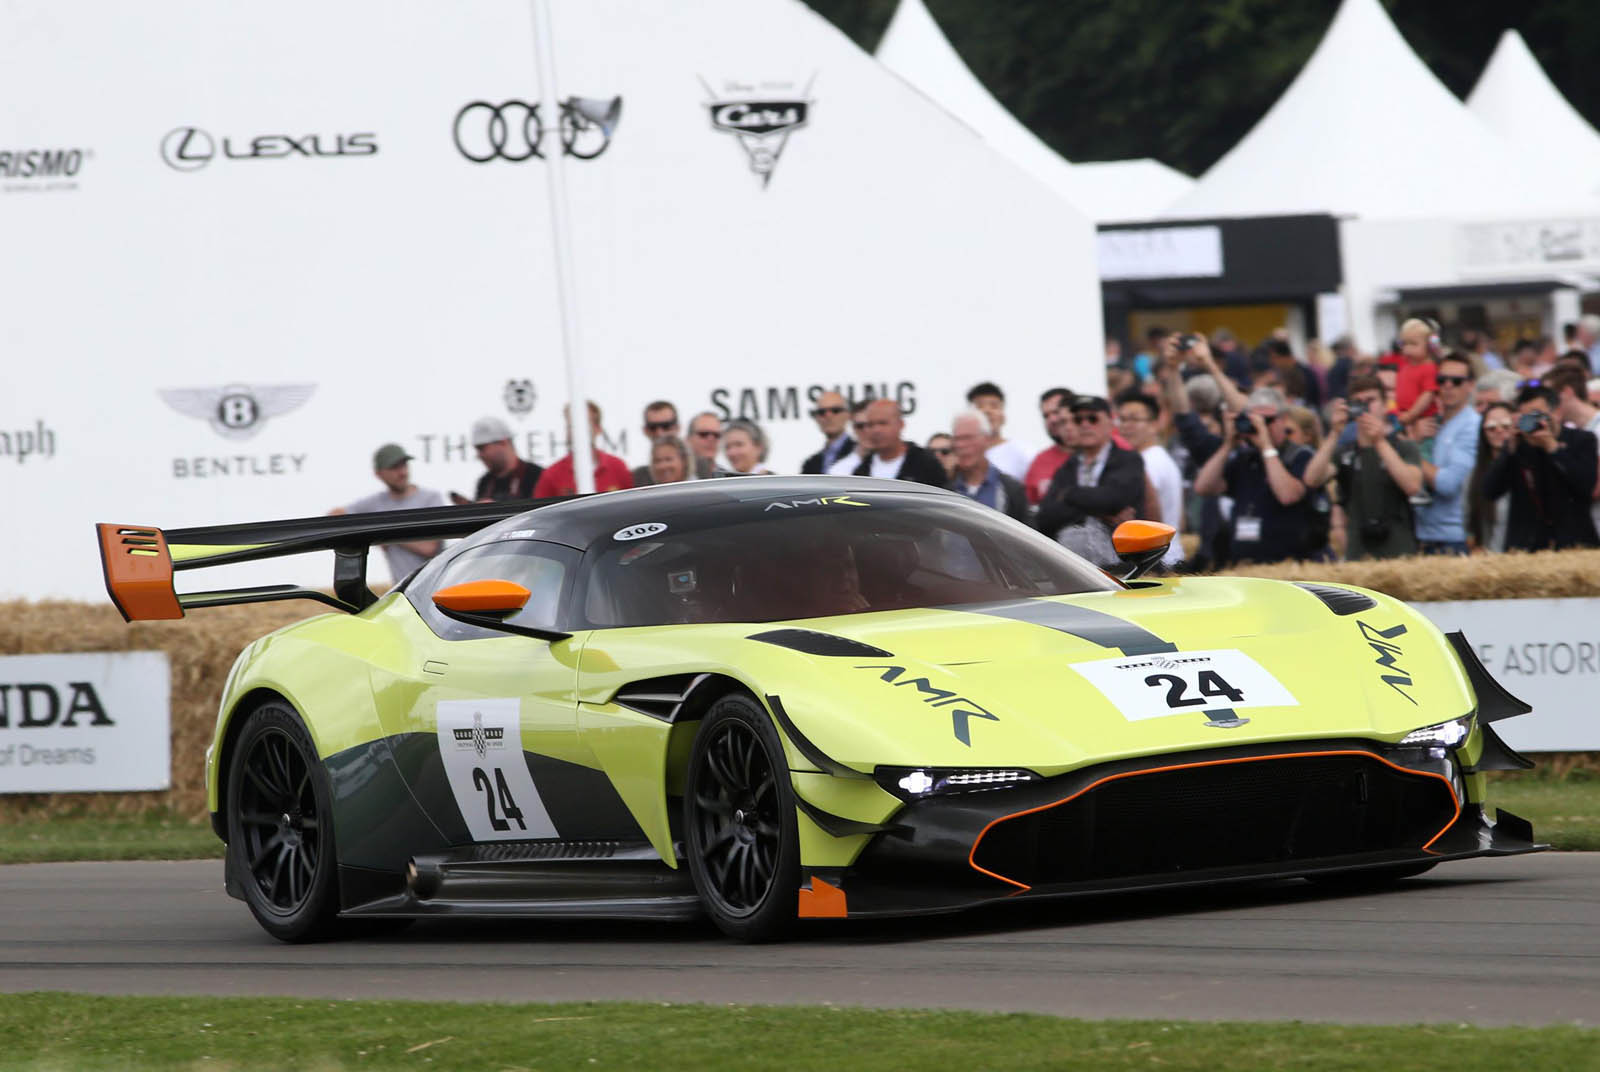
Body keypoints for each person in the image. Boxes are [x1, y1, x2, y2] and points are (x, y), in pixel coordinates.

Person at [1304, 375, 1423, 560]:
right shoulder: (1345, 453)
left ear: (1385, 405)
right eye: (1358, 402)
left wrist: (1379, 441)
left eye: (1371, 401)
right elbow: (1311, 479)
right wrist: (1334, 433)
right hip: (1358, 552)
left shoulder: (1404, 447)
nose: (1365, 407)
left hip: (1399, 553)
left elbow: (1412, 486)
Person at [1194, 387, 1312, 565]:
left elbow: (1288, 495)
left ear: (1284, 420)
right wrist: (1228, 445)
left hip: (1285, 565)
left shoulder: (1301, 456)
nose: (1260, 427)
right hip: (1243, 565)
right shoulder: (1246, 457)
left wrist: (1266, 446)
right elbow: (1203, 487)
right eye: (1255, 421)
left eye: (1267, 421)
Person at [1483, 384, 1600, 550]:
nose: (1533, 422)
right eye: (1526, 417)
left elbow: (1585, 487)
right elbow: (1489, 491)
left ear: (1557, 412)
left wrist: (1552, 448)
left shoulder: (1582, 440)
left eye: (1537, 414)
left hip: (1573, 544)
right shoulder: (1518, 446)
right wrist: (1509, 451)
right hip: (1527, 547)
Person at [1036, 396, 1145, 567]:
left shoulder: (1128, 460)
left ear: (1110, 423)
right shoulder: (1066, 468)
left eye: (1093, 418)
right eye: (1079, 420)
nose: (1085, 424)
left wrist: (1068, 495)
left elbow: (1113, 499)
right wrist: (1099, 512)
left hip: (1122, 567)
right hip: (1073, 569)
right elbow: (1046, 518)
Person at [330, 443, 444, 582]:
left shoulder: (431, 498)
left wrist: (384, 532)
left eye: (404, 465)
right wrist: (370, 534)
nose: (402, 472)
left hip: (436, 587)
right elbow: (334, 516)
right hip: (403, 592)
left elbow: (429, 547)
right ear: (379, 474)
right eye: (394, 467)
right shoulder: (377, 502)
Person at [1412, 353, 1481, 555]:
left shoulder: (1472, 425)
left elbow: (1447, 484)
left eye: (1456, 381)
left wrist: (1411, 453)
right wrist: (1415, 440)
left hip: (1452, 539)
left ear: (1470, 385)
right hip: (1424, 536)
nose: (1448, 386)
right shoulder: (1433, 423)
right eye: (1442, 380)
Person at [1115, 391, 1183, 566]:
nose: (1126, 426)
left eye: (1134, 419)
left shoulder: (1149, 462)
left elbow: (1148, 512)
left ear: (1154, 424)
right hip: (1164, 555)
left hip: (1155, 559)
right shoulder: (1153, 458)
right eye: (1122, 420)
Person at [534, 401, 634, 496]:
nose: (576, 431)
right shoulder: (552, 475)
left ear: (598, 428)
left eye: (583, 425)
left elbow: (631, 507)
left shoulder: (617, 467)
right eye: (571, 426)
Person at [948, 410, 1028, 523]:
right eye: (957, 439)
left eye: (968, 438)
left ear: (986, 439)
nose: (960, 445)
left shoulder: (1010, 489)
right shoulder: (944, 489)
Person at [852, 399, 947, 485]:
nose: (876, 430)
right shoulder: (861, 472)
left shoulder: (926, 464)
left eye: (883, 423)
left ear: (901, 424)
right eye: (871, 424)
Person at [1466, 402, 1515, 553]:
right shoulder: (1474, 477)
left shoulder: (1529, 471)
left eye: (1506, 426)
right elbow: (1468, 524)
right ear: (1483, 433)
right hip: (1491, 561)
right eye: (1491, 428)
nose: (1499, 431)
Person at [632, 401, 714, 485]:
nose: (660, 433)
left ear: (678, 427)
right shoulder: (638, 478)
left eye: (666, 426)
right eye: (653, 427)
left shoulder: (704, 468)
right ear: (645, 430)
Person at [965, 382, 1030, 481]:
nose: (987, 411)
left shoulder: (1024, 453)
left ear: (1003, 416)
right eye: (979, 406)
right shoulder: (957, 455)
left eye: (994, 406)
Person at [470, 416, 542, 501]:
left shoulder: (536, 476)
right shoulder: (484, 483)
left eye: (482, 448)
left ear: (503, 442)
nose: (479, 455)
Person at [1024, 387, 1075, 506]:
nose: (1051, 419)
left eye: (1056, 412)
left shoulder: (1107, 450)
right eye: (1046, 416)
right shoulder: (1040, 461)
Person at [1394, 318, 1440, 424]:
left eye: (1413, 344)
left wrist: (1411, 414)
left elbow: (1428, 394)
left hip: (1425, 418)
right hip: (1405, 417)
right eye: (1404, 344)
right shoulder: (1405, 366)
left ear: (1429, 346)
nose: (1407, 348)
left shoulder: (1428, 367)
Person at [800, 391, 854, 475]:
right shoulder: (810, 464)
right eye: (822, 412)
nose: (828, 416)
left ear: (848, 414)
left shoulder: (863, 455)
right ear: (816, 418)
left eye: (835, 410)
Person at [684, 411, 724, 476]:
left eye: (716, 435)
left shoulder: (728, 479)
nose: (711, 439)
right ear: (688, 440)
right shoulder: (676, 478)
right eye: (704, 434)